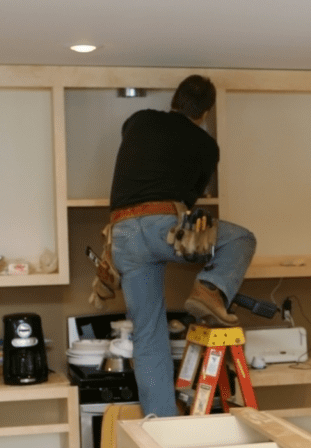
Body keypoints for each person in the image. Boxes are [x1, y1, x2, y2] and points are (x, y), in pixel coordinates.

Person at [108, 74, 256, 417]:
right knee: (241, 238)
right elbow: (189, 205)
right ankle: (210, 290)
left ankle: (161, 421)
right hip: (162, 225)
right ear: (205, 111)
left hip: (122, 234)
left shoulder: (140, 119)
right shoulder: (206, 146)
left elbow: (133, 147)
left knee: (147, 336)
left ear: (174, 100)